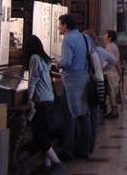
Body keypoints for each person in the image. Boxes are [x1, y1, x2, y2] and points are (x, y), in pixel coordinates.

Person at [23, 35, 67, 174]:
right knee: (46, 132)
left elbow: (33, 80)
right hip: (49, 98)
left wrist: (29, 98)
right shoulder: (44, 59)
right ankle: (48, 164)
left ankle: (57, 163)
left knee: (39, 134)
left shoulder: (34, 58)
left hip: (41, 100)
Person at [58, 13, 92, 160]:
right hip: (84, 79)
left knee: (69, 115)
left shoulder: (68, 39)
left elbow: (66, 62)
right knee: (84, 114)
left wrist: (59, 64)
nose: (59, 27)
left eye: (60, 24)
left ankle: (67, 150)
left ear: (65, 25)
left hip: (71, 81)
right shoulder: (85, 37)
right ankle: (84, 149)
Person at [83, 30, 116, 151]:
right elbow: (113, 61)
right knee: (95, 113)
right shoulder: (99, 50)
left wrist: (102, 70)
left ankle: (88, 144)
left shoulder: (92, 52)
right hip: (100, 81)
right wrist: (104, 70)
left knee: (90, 112)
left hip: (93, 84)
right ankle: (91, 143)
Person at [104, 30, 121, 118]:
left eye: (106, 35)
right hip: (112, 71)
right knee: (111, 91)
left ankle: (114, 111)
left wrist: (103, 67)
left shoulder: (110, 46)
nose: (104, 37)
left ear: (109, 38)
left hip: (111, 72)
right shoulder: (112, 46)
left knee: (112, 91)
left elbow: (112, 60)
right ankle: (113, 110)